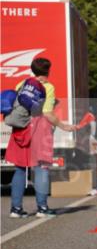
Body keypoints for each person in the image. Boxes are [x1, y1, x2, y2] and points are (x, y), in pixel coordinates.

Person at [7, 57, 76, 218]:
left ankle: (15, 209)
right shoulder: (47, 87)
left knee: (20, 169)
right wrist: (63, 125)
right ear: (48, 71)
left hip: (21, 128)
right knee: (41, 168)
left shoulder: (22, 84)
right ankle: (42, 208)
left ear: (33, 70)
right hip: (39, 128)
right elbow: (47, 113)